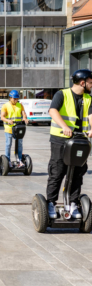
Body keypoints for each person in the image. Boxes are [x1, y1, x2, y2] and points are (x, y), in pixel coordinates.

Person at [46, 69, 92, 220]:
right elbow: (52, 111)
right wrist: (64, 126)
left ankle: (72, 203)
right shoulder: (62, 94)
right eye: (90, 82)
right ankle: (51, 203)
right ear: (82, 82)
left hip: (80, 140)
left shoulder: (89, 98)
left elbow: (91, 116)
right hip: (60, 139)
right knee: (57, 171)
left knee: (77, 173)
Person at [1, 90, 29, 168]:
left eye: (16, 99)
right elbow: (2, 117)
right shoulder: (5, 106)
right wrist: (8, 120)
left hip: (18, 128)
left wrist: (25, 118)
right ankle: (8, 161)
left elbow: (24, 114)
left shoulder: (20, 105)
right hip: (8, 128)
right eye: (14, 98)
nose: (15, 100)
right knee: (8, 144)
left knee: (19, 144)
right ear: (10, 98)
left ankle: (19, 160)